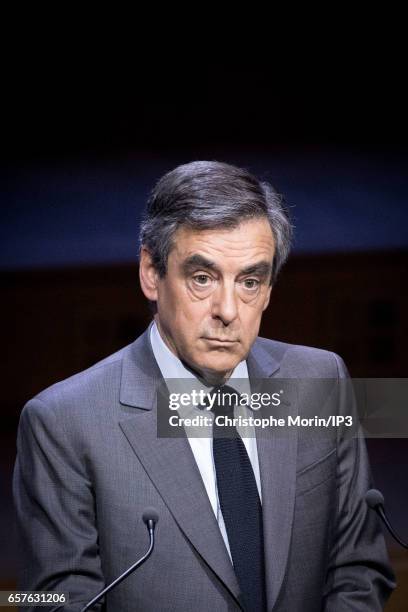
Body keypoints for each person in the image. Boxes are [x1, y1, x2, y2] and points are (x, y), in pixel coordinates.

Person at [13, 161, 395, 611]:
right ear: (151, 275)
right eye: (202, 278)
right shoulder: (63, 421)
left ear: (270, 289)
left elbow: (360, 569)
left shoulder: (319, 378)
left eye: (250, 281)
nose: (228, 310)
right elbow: (55, 601)